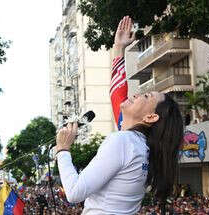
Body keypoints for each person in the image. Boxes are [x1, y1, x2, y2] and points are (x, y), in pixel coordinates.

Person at [55, 16, 184, 214]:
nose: (136, 94)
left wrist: (63, 150)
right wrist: (119, 48)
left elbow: (74, 193)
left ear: (150, 117)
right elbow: (118, 94)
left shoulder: (123, 142)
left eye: (146, 95)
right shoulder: (141, 145)